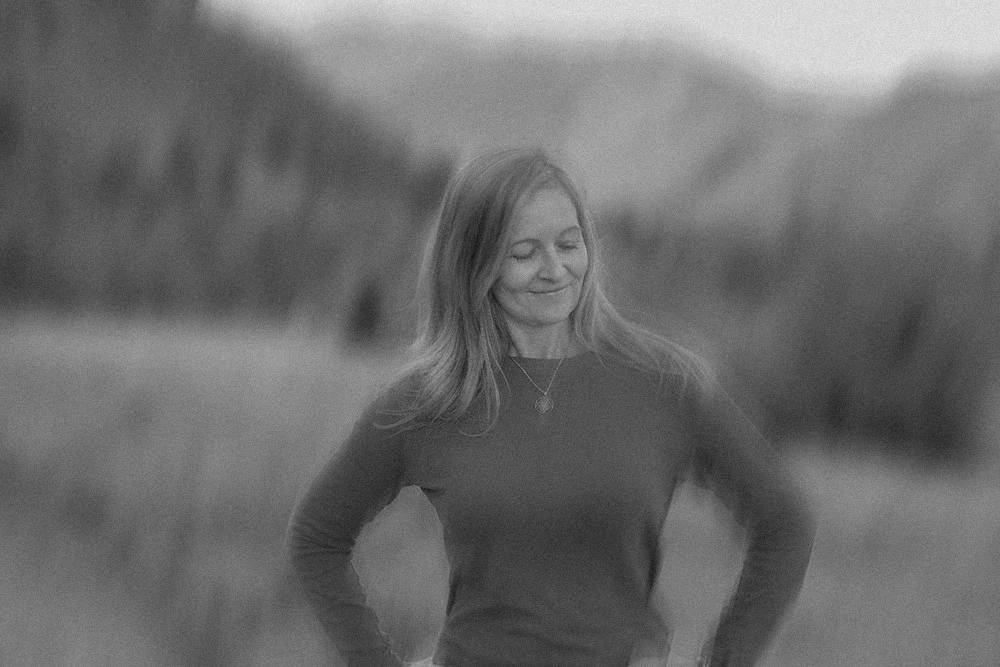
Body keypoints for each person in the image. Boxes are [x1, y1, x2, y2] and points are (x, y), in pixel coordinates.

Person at [287, 147, 816, 667]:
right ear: (474, 266)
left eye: (570, 243)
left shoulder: (665, 381)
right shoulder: (427, 402)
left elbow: (785, 523)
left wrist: (724, 661)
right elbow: (317, 538)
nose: (556, 269)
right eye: (523, 253)